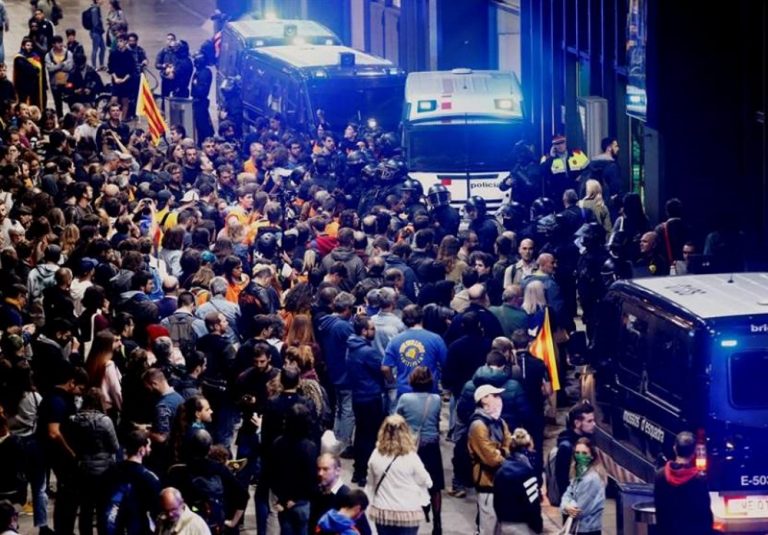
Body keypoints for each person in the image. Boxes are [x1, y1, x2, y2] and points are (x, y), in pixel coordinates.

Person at [395, 367, 444, 535]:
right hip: (431, 445)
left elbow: (396, 420)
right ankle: (437, 522)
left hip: (411, 446)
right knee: (435, 485)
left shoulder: (405, 399)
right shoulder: (436, 399)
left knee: (408, 483)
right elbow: (436, 420)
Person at [365, 415, 432, 535]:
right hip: (408, 512)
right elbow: (427, 481)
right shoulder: (411, 457)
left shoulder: (375, 455)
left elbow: (370, 483)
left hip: (383, 511)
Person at [67, 388, 119, 535]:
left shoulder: (74, 420)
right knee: (103, 508)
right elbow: (115, 446)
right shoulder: (105, 421)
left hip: (83, 468)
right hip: (104, 470)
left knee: (86, 509)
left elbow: (72, 443)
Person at [467, 384, 513, 535]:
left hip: (501, 482)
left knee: (500, 529)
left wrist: (501, 451)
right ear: (484, 400)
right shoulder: (478, 426)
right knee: (488, 529)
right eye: (495, 396)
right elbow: (491, 458)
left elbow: (510, 445)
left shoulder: (500, 422)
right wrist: (503, 453)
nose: (500, 400)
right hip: (487, 483)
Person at [654, 431, 713, 535]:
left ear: (675, 448)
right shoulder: (699, 480)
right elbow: (705, 515)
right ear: (694, 453)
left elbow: (659, 511)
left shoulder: (660, 476)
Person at [382, 304, 447, 398]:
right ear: (422, 318)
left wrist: (392, 381)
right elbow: (446, 364)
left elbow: (385, 368)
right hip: (429, 391)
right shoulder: (436, 339)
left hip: (404, 391)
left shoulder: (395, 340)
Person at [493, 428, 543, 535]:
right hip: (523, 526)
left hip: (503, 525)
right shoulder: (527, 473)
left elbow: (496, 501)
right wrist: (538, 526)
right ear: (528, 447)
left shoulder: (500, 471)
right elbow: (533, 505)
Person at [559, 437, 606, 535]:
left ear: (592, 456)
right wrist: (566, 506)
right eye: (577, 453)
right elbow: (567, 493)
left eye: (584, 453)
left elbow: (579, 510)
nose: (580, 456)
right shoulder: (579, 473)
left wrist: (566, 505)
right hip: (578, 528)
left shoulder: (592, 479)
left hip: (588, 530)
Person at [553, 401, 596, 507]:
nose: (594, 424)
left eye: (593, 420)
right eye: (589, 421)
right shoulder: (566, 447)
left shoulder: (587, 440)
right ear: (577, 423)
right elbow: (562, 480)